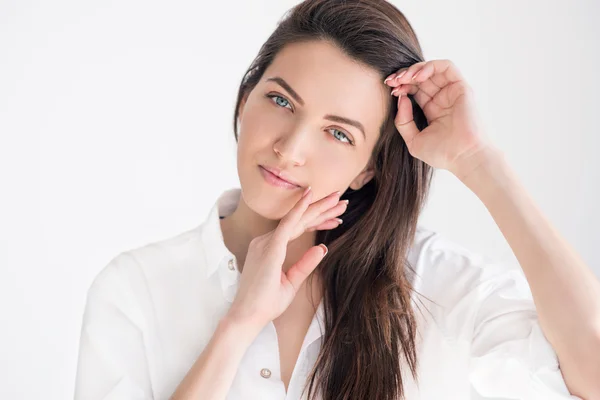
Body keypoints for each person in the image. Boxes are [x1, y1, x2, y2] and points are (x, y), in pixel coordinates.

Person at [74, 0, 600, 399]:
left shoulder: (428, 282)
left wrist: (478, 161)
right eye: (281, 100)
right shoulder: (135, 288)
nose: (291, 148)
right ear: (244, 99)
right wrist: (238, 326)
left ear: (368, 167)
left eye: (339, 133)